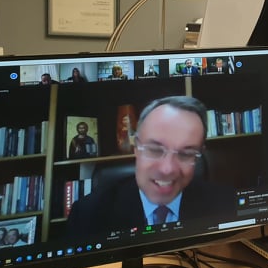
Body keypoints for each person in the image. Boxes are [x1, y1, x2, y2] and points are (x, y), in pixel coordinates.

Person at [67, 96, 231, 237]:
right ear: (136, 148)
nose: (167, 169)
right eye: (155, 150)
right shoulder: (88, 215)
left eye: (186, 154)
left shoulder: (225, 204)